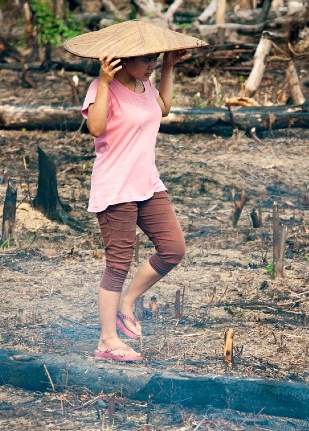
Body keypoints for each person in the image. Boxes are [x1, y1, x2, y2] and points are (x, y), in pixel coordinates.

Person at [65, 21, 206, 362]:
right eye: (146, 58)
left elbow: (163, 109)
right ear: (123, 59)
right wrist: (106, 82)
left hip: (147, 183)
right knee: (117, 263)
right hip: (116, 188)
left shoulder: (147, 85)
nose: (152, 63)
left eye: (156, 57)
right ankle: (106, 340)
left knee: (173, 249)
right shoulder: (102, 86)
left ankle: (128, 302)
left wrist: (170, 67)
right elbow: (95, 128)